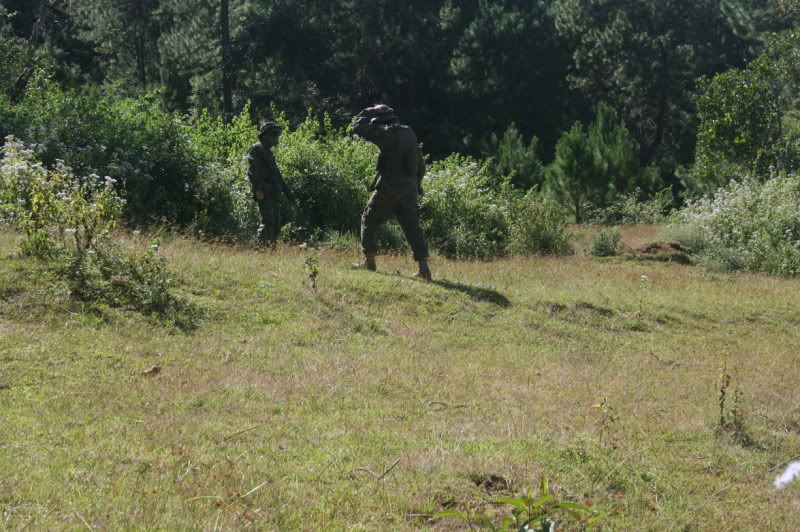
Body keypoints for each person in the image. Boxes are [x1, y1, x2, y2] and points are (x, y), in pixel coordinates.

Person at [351, 105, 431, 281]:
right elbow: (420, 163)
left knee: (369, 219)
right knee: (412, 226)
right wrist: (416, 184)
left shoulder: (386, 134)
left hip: (390, 186)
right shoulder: (409, 132)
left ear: (380, 121)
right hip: (410, 186)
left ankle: (369, 261)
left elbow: (357, 127)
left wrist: (370, 110)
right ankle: (424, 269)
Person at [246, 122, 295, 246]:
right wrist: (257, 189)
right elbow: (253, 170)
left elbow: (276, 174)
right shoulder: (257, 149)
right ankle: (262, 248)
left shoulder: (268, 152)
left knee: (276, 223)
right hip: (264, 191)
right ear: (264, 135)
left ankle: (271, 249)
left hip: (273, 191)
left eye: (277, 134)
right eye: (273, 134)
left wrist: (287, 192)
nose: (276, 137)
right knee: (268, 222)